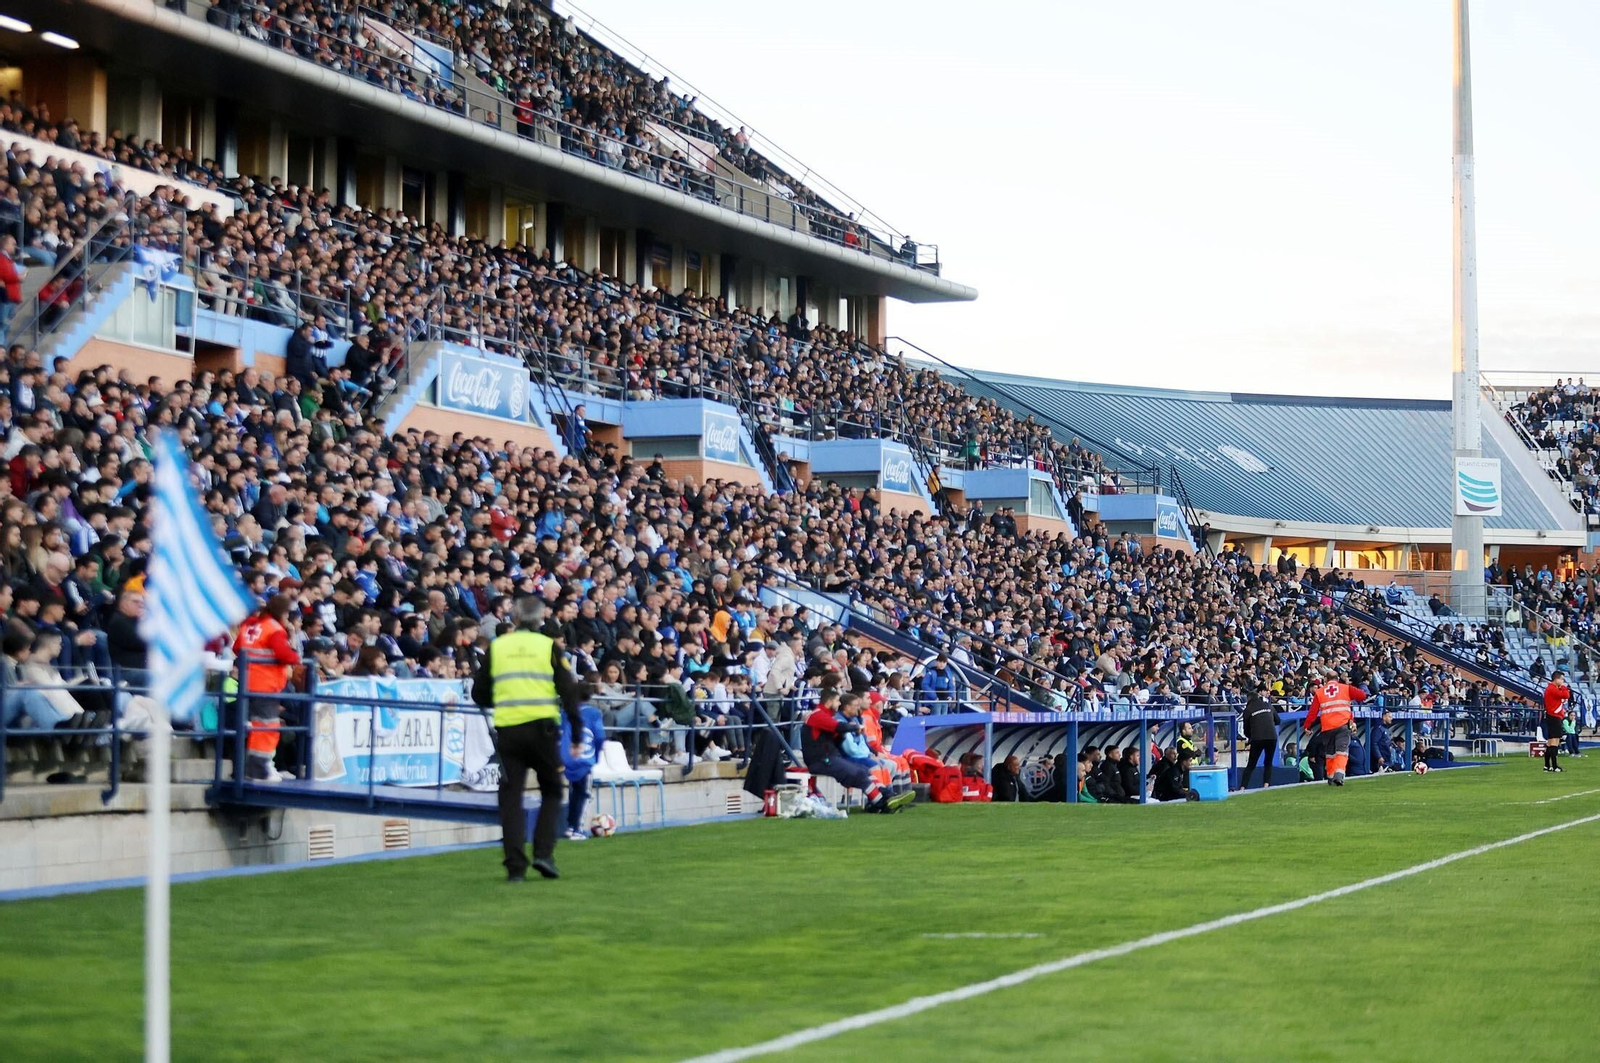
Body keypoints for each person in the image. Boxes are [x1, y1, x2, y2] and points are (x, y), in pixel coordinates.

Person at [472, 596, 583, 881]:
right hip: (542, 729)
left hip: (509, 730)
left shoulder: (497, 648)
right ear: (540, 619)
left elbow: (479, 693)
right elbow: (569, 692)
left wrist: (502, 698)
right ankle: (543, 854)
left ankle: (515, 868)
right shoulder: (549, 647)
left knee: (510, 798)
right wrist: (577, 731)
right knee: (552, 790)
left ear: (516, 618)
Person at [800, 692, 912, 813]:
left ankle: (887, 795)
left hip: (828, 758)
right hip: (821, 760)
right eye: (837, 701)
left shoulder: (824, 715)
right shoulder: (818, 715)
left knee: (864, 770)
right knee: (859, 774)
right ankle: (881, 803)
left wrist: (846, 732)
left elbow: (835, 735)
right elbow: (837, 726)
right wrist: (855, 727)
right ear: (829, 702)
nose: (839, 704)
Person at [232, 594, 301, 782]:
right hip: (265, 684)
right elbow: (285, 655)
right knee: (267, 727)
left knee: (257, 727)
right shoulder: (274, 629)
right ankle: (260, 770)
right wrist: (295, 656)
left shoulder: (250, 624)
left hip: (247, 683)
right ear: (282, 612)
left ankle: (255, 769)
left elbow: (237, 647)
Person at [559, 682, 606, 841]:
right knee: (584, 794)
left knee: (573, 793)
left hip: (568, 759)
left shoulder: (565, 713)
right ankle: (578, 829)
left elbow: (560, 734)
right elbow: (599, 736)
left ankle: (570, 826)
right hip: (585, 759)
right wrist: (597, 756)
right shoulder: (594, 713)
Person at [1305, 672, 1367, 786]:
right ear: (1337, 679)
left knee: (1330, 753)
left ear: (1326, 679)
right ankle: (1339, 774)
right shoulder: (1345, 688)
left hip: (1327, 727)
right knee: (1341, 751)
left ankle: (1330, 776)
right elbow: (1363, 695)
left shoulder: (1320, 692)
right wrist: (1349, 698)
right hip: (1342, 725)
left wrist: (1307, 726)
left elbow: (1312, 713)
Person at [1240, 684, 1279, 789]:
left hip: (1257, 738)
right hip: (1272, 736)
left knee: (1251, 764)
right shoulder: (1268, 705)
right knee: (1268, 762)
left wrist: (1251, 737)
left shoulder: (1248, 710)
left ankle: (1243, 787)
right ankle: (1266, 785)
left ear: (1248, 699)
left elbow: (1246, 729)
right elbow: (1278, 720)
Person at [1542, 670, 1569, 773]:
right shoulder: (1552, 689)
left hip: (1552, 716)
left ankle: (1547, 765)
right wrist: (1564, 687)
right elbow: (1566, 695)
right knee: (1555, 742)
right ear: (1556, 679)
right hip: (1554, 716)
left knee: (1550, 743)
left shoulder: (1551, 689)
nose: (1562, 681)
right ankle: (1554, 765)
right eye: (1562, 679)